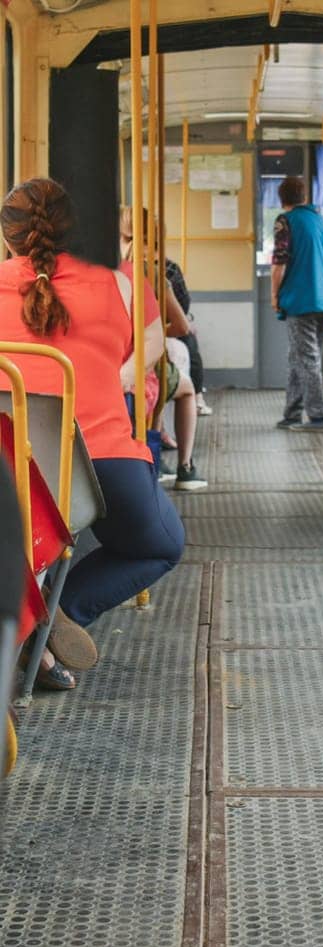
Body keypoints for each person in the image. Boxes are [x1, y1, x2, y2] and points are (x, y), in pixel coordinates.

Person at [0, 178, 185, 688]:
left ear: (9, 238)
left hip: (7, 462)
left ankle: (31, 630)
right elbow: (136, 349)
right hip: (94, 464)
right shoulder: (119, 283)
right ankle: (52, 621)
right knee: (160, 545)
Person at [119, 209, 205, 490]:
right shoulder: (153, 274)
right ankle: (185, 467)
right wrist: (153, 330)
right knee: (185, 387)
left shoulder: (99, 270)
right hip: (141, 365)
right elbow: (181, 325)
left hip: (111, 363)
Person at [271, 175, 323, 432]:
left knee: (306, 358)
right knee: (299, 356)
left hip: (301, 300)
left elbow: (280, 262)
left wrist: (275, 296)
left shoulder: (285, 221)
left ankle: (318, 417)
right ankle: (292, 413)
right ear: (305, 198)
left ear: (282, 199)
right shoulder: (322, 221)